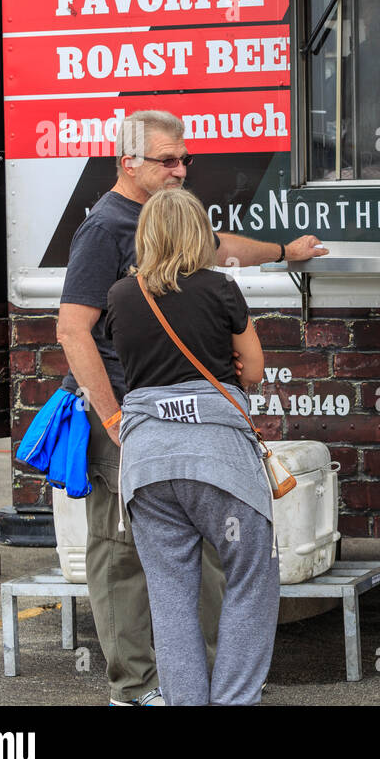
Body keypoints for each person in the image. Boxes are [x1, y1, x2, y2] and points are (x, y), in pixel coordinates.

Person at [55, 109, 327, 705]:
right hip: (128, 417)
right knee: (122, 556)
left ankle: (193, 689)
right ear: (128, 162)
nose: (181, 169)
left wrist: (283, 249)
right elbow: (74, 331)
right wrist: (112, 417)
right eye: (167, 160)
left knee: (184, 562)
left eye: (184, 159)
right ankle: (135, 688)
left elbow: (218, 245)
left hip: (157, 428)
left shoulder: (164, 221)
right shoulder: (104, 230)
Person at [105, 188, 275, 705]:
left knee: (170, 597)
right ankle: (234, 700)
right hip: (217, 459)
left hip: (147, 464)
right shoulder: (221, 289)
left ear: (147, 235)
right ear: (200, 233)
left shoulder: (119, 296)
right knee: (250, 575)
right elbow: (256, 370)